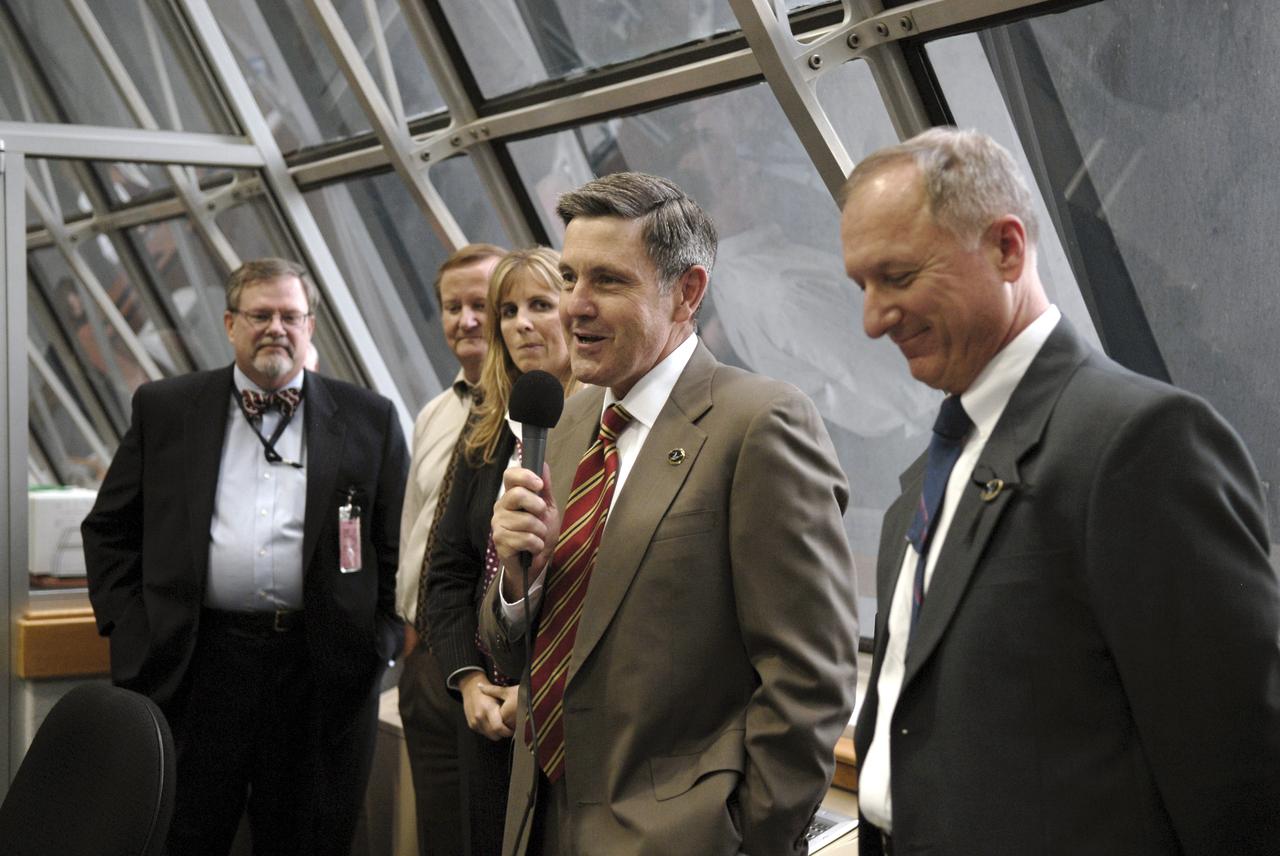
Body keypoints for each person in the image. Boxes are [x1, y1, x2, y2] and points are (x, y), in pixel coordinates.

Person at [840, 128, 1280, 855]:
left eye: (898, 276)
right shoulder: (935, 470)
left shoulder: (1138, 444)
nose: (872, 319)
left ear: (1007, 249)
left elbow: (1238, 765)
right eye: (862, 285)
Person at [481, 172, 859, 856]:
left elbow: (810, 680)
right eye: (568, 278)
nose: (574, 307)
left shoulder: (760, 424)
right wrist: (516, 582)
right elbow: (518, 654)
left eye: (608, 281)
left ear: (687, 293)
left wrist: (746, 839)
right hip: (538, 824)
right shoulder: (564, 427)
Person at [81, 257, 409, 856]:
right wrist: (131, 632)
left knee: (307, 837)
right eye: (260, 315)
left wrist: (379, 639)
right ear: (230, 324)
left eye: (290, 315)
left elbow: (396, 545)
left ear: (311, 325)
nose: (276, 328)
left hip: (320, 671)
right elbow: (109, 531)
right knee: (188, 834)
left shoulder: (370, 418)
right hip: (198, 666)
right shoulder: (166, 409)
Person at [425, 247, 575, 856]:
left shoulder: (607, 430)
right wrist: (467, 681)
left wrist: (537, 693)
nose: (520, 324)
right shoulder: (488, 429)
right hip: (484, 708)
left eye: (540, 304)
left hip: (563, 707)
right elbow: (448, 570)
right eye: (507, 310)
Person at [397, 243, 506, 856]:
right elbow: (417, 533)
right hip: (425, 660)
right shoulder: (434, 414)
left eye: (482, 304)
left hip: (490, 658)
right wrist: (411, 637)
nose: (467, 319)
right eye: (452, 306)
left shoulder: (529, 418)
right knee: (439, 835)